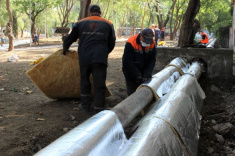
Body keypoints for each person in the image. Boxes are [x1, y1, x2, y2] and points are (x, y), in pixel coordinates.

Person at [63, 4, 116, 113]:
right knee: (99, 83)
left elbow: (70, 38)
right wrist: (105, 52)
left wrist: (65, 49)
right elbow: (112, 43)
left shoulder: (80, 23)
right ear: (100, 13)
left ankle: (85, 106)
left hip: (84, 58)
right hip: (100, 58)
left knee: (85, 81)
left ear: (89, 12)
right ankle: (99, 108)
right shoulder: (108, 24)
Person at [122, 28, 156, 96]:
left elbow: (152, 59)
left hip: (144, 68)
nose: (147, 43)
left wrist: (148, 72)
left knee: (144, 90)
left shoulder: (152, 43)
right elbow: (128, 61)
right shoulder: (131, 42)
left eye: (148, 41)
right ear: (141, 36)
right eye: (145, 40)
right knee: (132, 91)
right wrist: (137, 74)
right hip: (130, 70)